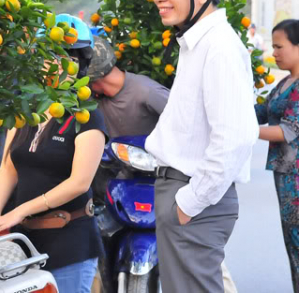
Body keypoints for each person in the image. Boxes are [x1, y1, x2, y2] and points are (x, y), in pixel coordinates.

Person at [135, 0, 258, 292]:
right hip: (183, 196)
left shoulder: (218, 47)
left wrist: (189, 203)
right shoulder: (197, 43)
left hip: (193, 199)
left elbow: (235, 138)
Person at [86, 36, 237, 293]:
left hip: (167, 180)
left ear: (93, 77)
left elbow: (191, 124)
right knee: (95, 244)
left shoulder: (147, 92)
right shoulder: (95, 102)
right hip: (125, 184)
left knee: (200, 258)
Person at [0, 15, 107, 293]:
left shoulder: (87, 115)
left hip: (69, 241)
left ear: (80, 62)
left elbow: (79, 183)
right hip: (24, 242)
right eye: (48, 55)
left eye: (66, 56)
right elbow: (9, 167)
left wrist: (18, 211)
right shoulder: (27, 108)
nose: (55, 64)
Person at [255, 19, 299, 292]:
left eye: (280, 47)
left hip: (296, 181)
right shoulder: (285, 82)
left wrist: (246, 131)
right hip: (285, 177)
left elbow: (287, 131)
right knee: (292, 244)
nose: (275, 53)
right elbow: (262, 112)